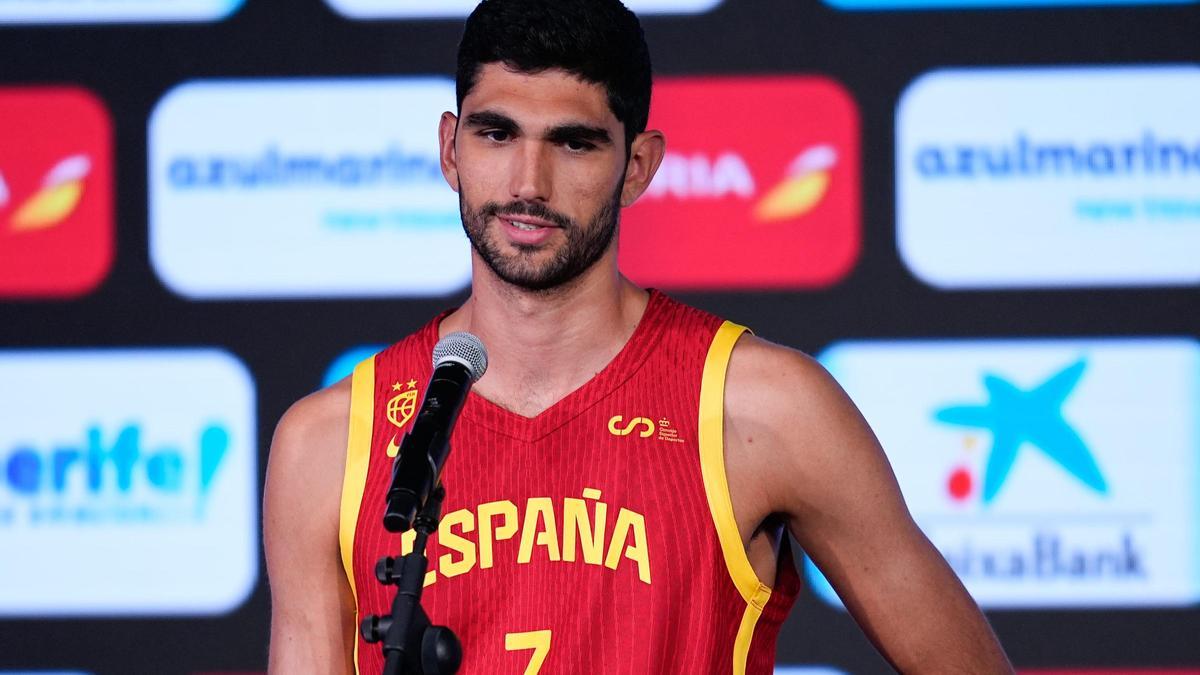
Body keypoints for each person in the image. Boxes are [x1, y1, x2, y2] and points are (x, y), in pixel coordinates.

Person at [264, 0, 1013, 673]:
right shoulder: (327, 443)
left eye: (574, 143)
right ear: (451, 150)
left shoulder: (765, 408)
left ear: (638, 166)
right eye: (497, 134)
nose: (528, 181)